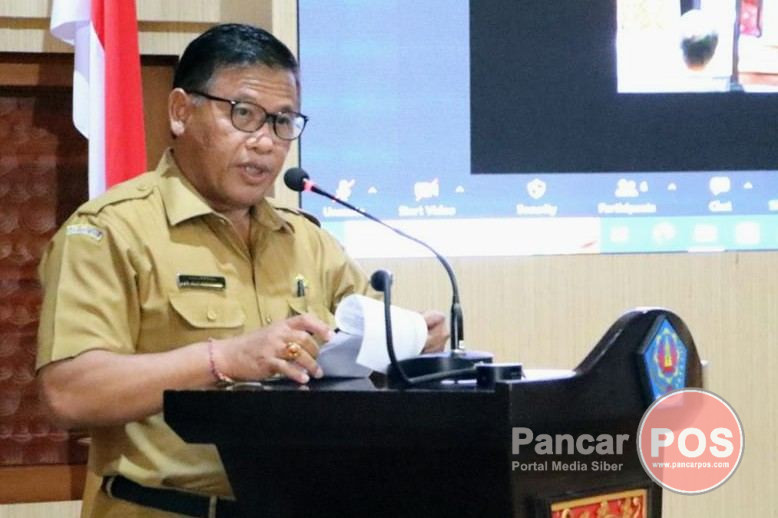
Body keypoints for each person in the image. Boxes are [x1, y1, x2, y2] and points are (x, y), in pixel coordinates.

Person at [36, 23, 448, 517]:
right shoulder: (112, 231)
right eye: (244, 114)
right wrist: (225, 359)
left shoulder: (307, 242)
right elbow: (69, 392)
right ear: (181, 112)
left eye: (282, 121)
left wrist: (409, 344)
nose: (266, 142)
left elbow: (366, 363)